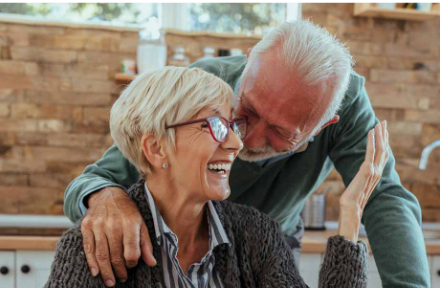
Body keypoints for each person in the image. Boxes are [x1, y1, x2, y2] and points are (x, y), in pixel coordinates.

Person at [64, 20, 429, 287]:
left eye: (281, 133)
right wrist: (106, 198)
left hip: (271, 243)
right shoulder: (200, 88)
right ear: (250, 60)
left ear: (323, 126)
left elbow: (384, 199)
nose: (248, 140)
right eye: (246, 111)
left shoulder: (346, 108)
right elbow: (94, 181)